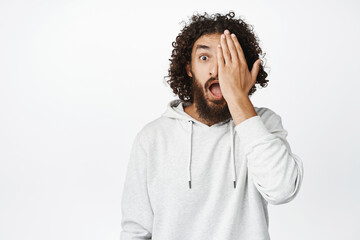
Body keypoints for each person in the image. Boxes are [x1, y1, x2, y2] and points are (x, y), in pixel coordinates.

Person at [120, 11, 304, 240]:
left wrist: (238, 99)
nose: (216, 70)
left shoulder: (263, 124)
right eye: (205, 58)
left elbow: (282, 190)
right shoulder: (153, 137)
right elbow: (136, 231)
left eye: (228, 59)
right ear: (189, 68)